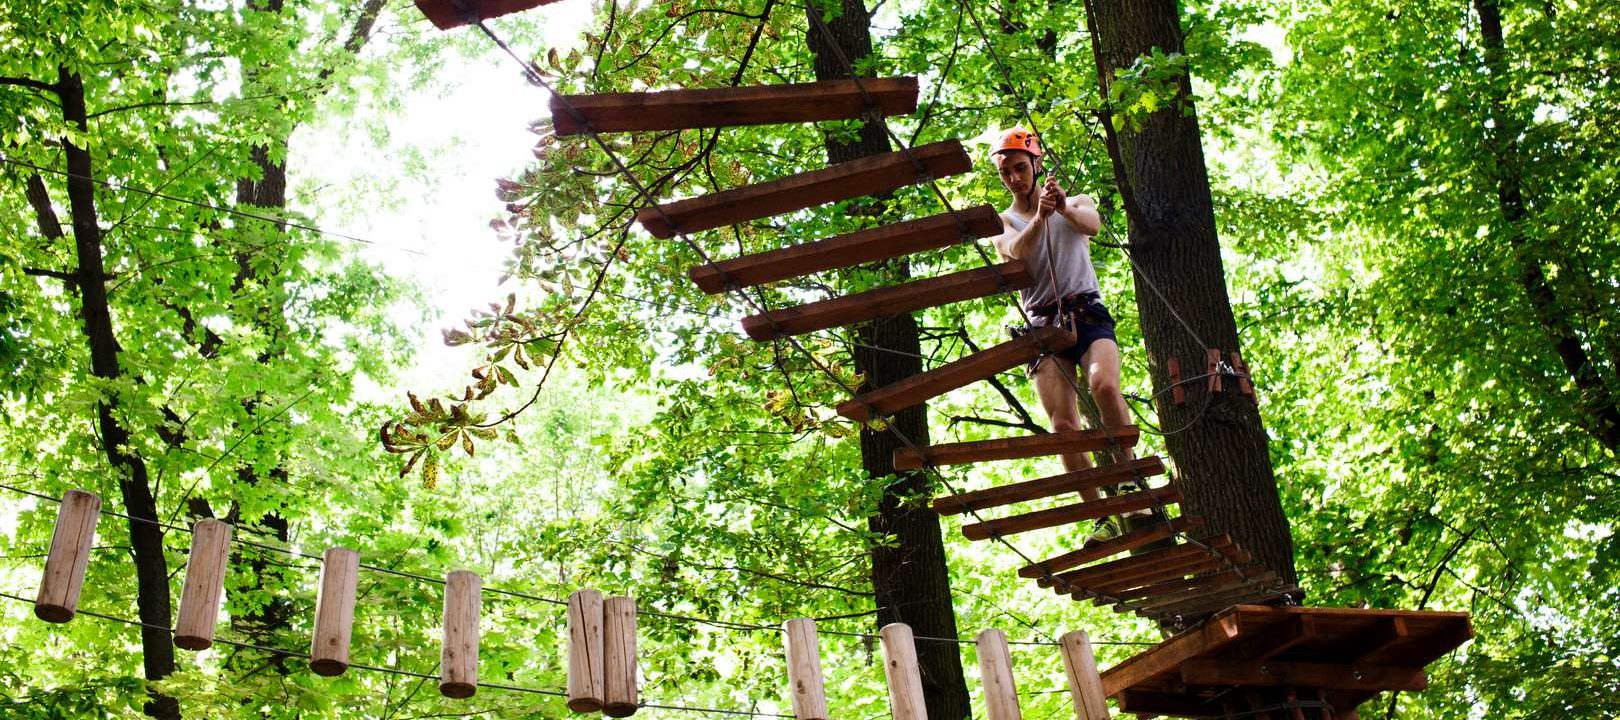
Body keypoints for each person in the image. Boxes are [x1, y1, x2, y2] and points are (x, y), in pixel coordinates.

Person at [989, 128, 1145, 535]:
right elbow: (1016, 252)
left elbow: (1091, 225)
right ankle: (1101, 513)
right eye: (1007, 172)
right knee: (1063, 426)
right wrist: (1040, 216)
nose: (1015, 178)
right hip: (1041, 327)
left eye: (1021, 169)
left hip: (1087, 313)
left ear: (1036, 165)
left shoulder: (1074, 202)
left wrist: (1060, 210)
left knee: (1105, 386)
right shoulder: (1003, 223)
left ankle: (1129, 477)